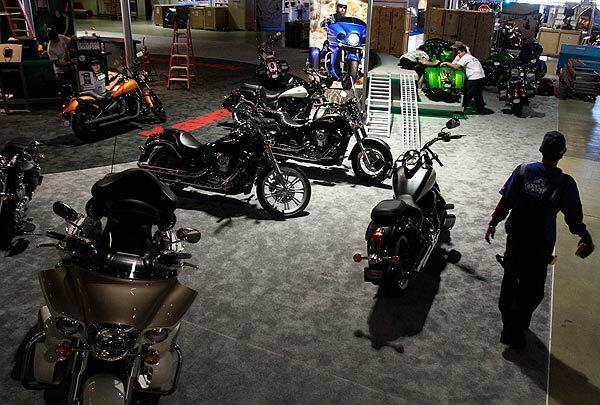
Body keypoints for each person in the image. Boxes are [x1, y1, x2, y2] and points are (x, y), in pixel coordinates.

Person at [485, 131, 594, 350]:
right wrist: (584, 236)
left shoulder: (523, 171)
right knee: (533, 289)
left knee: (510, 279)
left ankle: (510, 323)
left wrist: (493, 222)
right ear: (562, 153)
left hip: (515, 236)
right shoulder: (565, 183)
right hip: (540, 243)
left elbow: (506, 201)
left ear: (541, 150)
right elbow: (573, 218)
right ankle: (515, 330)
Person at [440, 44, 488, 114]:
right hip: (481, 77)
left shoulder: (465, 57)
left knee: (467, 94)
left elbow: (456, 66)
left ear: (463, 52)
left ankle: (461, 111)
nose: (458, 55)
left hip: (474, 78)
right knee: (478, 94)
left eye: (459, 53)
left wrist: (446, 63)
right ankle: (481, 110)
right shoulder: (471, 57)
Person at [47, 28, 74, 99]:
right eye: (56, 39)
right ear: (51, 40)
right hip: (60, 71)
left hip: (69, 68)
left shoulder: (61, 37)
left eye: (58, 37)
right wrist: (70, 63)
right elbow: (57, 64)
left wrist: (74, 39)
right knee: (65, 88)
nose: (58, 40)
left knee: (73, 85)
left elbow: (71, 41)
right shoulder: (50, 49)